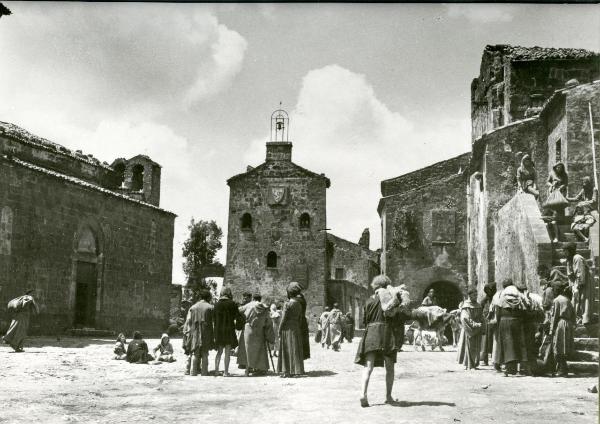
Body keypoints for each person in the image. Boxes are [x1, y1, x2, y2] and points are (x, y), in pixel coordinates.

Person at [355, 275, 398, 408]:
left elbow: (365, 321)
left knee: (368, 367)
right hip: (386, 333)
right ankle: (388, 396)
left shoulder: (368, 301)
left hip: (371, 334)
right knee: (390, 368)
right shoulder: (390, 299)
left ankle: (363, 394)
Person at [497, 279, 527, 376]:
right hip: (517, 321)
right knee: (517, 345)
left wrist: (499, 323)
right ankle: (517, 370)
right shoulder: (520, 297)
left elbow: (497, 311)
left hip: (504, 322)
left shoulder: (502, 297)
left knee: (506, 346)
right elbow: (525, 309)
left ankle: (507, 369)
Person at [241, 293, 275, 376]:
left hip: (248, 329)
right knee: (260, 350)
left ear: (253, 298)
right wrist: (269, 334)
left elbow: (239, 311)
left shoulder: (249, 305)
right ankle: (260, 368)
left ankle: (248, 369)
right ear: (260, 299)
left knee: (248, 350)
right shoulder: (265, 308)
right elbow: (268, 321)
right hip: (260, 330)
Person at [183, 289, 214, 376]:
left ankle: (193, 372)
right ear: (208, 297)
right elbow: (213, 322)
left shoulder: (193, 307)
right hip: (206, 332)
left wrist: (187, 333)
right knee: (205, 353)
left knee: (195, 353)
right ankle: (204, 372)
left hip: (194, 332)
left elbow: (188, 321)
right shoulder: (210, 307)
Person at [277, 282, 305, 377]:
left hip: (287, 328)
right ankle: (296, 370)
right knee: (295, 349)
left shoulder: (287, 304)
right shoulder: (299, 304)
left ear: (289, 293)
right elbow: (300, 318)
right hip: (296, 327)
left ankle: (286, 371)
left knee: (287, 348)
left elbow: (283, 318)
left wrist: (279, 329)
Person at [550, 280, 576, 377]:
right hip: (568, 324)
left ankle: (562, 369)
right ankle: (562, 368)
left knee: (559, 346)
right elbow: (574, 314)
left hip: (560, 324)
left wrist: (551, 329)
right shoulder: (567, 300)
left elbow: (555, 316)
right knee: (565, 346)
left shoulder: (556, 300)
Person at [213, 287, 239, 376]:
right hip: (229, 329)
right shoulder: (232, 304)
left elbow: (214, 319)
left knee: (219, 351)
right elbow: (237, 316)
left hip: (219, 330)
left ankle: (216, 371)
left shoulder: (216, 305)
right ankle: (226, 372)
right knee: (227, 352)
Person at [564, 242, 592, 325]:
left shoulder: (577, 258)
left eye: (566, 251)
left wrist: (578, 285)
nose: (565, 253)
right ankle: (577, 317)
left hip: (584, 282)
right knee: (576, 299)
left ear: (570, 251)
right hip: (576, 282)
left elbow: (580, 272)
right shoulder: (570, 259)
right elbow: (571, 274)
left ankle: (585, 318)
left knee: (583, 298)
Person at [457, 287, 483, 370]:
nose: (476, 296)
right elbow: (465, 318)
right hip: (469, 329)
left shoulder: (478, 305)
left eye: (476, 295)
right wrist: (474, 324)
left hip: (477, 328)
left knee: (477, 347)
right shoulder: (466, 306)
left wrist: (482, 323)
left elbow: (481, 316)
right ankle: (469, 364)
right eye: (474, 295)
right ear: (470, 296)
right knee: (469, 346)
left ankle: (475, 363)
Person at [545, 162, 569, 243]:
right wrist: (551, 185)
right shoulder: (551, 173)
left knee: (560, 205)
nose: (559, 169)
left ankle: (561, 220)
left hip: (561, 192)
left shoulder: (564, 175)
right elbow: (547, 182)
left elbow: (566, 183)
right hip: (553, 191)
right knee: (553, 205)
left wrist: (561, 187)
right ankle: (554, 218)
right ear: (555, 167)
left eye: (561, 167)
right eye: (558, 167)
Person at [480, 283, 496, 366]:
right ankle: (485, 358)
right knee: (486, 341)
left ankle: (495, 359)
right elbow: (480, 309)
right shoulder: (485, 300)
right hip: (487, 322)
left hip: (495, 322)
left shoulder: (496, 299)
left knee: (494, 340)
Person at [236, 291, 252, 370]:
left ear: (250, 298)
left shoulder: (249, 306)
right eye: (244, 298)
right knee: (242, 346)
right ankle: (242, 363)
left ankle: (247, 363)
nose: (244, 299)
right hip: (242, 327)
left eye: (246, 298)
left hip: (248, 326)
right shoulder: (243, 305)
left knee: (247, 346)